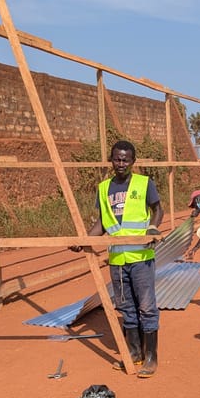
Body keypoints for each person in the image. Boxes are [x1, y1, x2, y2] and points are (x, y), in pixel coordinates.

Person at [71, 140, 163, 378]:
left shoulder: (144, 184)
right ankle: (133, 353)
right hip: (117, 258)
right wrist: (84, 240)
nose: (121, 163)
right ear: (111, 160)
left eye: (125, 159)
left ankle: (150, 357)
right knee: (126, 307)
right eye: (117, 159)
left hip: (141, 257)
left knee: (147, 307)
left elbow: (157, 209)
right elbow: (102, 222)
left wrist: (153, 228)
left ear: (133, 161)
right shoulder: (104, 188)